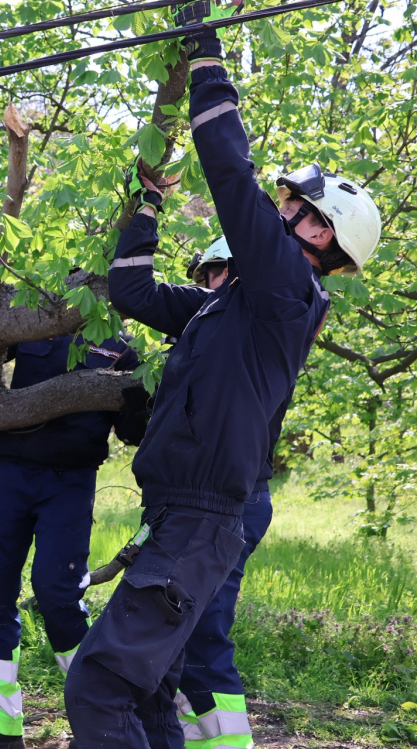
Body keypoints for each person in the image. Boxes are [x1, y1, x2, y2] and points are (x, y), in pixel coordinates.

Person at [63, 0, 381, 748]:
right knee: (145, 697)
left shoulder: (285, 288)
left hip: (200, 525)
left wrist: (205, 51)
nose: (282, 209)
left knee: (98, 687)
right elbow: (133, 291)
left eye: (298, 208)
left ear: (322, 236)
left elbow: (231, 172)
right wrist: (147, 199)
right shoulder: (227, 303)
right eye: (287, 202)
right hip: (177, 518)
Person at [114, 231, 280, 748]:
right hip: (178, 503)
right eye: (208, 277)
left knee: (201, 632)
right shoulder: (201, 327)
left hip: (230, 503)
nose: (213, 286)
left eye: (220, 274)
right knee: (173, 636)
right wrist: (145, 209)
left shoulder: (258, 330)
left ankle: (229, 742)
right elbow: (134, 291)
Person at [0, 330, 143, 749]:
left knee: (58, 593)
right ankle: (0, 727)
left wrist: (144, 395)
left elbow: (134, 432)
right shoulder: (36, 325)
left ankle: (99, 725)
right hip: (11, 474)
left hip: (70, 483)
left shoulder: (123, 348)